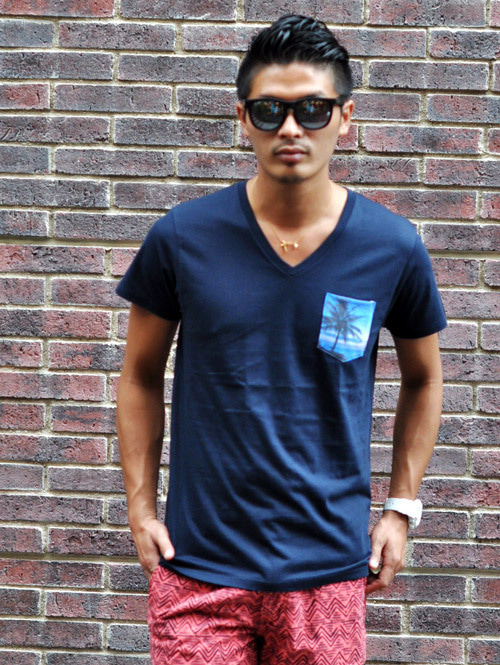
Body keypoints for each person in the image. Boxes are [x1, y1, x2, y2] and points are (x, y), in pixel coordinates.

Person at [116, 14, 446, 665]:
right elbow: (139, 374)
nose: (291, 128)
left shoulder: (391, 246)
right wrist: (139, 506)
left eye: (312, 109)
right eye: (270, 110)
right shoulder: (183, 238)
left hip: (328, 570)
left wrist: (400, 508)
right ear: (244, 118)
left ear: (345, 118)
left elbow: (426, 376)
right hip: (199, 568)